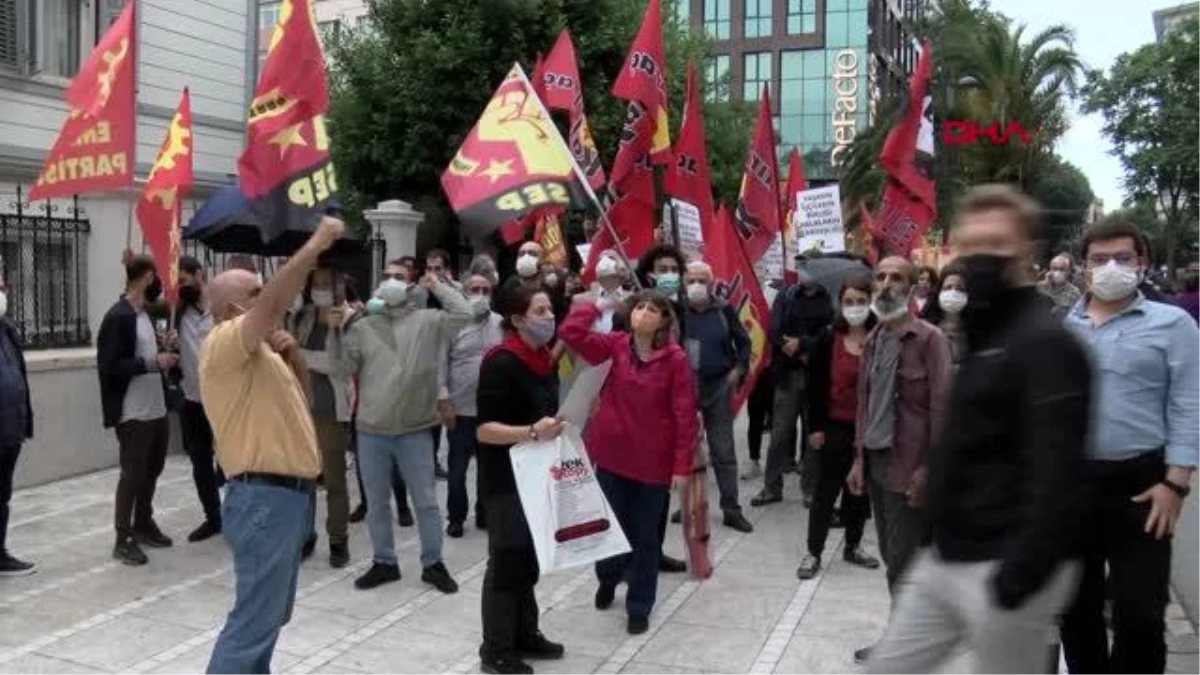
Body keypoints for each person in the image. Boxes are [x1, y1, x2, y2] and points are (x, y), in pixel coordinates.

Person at [867, 184, 1091, 675]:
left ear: (1027, 252)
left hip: (1006, 567)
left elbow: (1059, 474)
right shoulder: (978, 330)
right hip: (946, 556)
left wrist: (1018, 577)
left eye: (997, 244)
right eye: (971, 246)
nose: (981, 258)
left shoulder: (1046, 342)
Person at [202, 215, 343, 672]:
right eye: (255, 294)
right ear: (230, 311)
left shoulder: (262, 352)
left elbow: (300, 404)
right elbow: (279, 297)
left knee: (269, 618)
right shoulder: (224, 341)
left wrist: (294, 357)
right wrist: (315, 245)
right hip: (264, 498)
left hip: (288, 499)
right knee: (252, 623)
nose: (266, 301)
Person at [1060, 217, 1200, 675]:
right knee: (1076, 609)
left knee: (1140, 614)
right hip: (1074, 484)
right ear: (1084, 267)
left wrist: (1175, 485)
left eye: (1123, 258)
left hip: (1143, 487)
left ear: (1142, 263)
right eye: (1099, 260)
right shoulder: (1064, 327)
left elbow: (1188, 404)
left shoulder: (1173, 325)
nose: (1111, 267)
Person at [559, 290, 699, 635]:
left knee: (646, 538)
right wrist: (595, 306)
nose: (645, 314)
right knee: (608, 530)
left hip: (653, 464)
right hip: (612, 458)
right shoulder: (614, 345)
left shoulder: (675, 358)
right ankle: (608, 578)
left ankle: (640, 603)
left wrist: (682, 467)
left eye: (654, 309)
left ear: (665, 320)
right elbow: (571, 335)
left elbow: (685, 416)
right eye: (640, 307)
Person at [845, 255, 952, 664]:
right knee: (894, 557)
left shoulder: (929, 339)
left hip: (910, 467)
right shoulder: (873, 339)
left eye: (897, 278)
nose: (887, 283)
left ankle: (903, 649)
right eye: (881, 276)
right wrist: (857, 460)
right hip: (875, 463)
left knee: (902, 562)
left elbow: (943, 411)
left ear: (912, 288)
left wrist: (929, 469)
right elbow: (864, 406)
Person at [339, 267, 472, 593]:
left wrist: (437, 286)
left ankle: (433, 563)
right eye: (384, 276)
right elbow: (344, 367)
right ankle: (384, 562)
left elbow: (464, 311)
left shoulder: (429, 322)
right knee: (377, 502)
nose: (390, 282)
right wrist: (339, 331)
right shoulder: (364, 327)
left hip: (415, 429)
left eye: (397, 277)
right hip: (371, 429)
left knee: (425, 502)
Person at [475, 284, 566, 675]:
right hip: (506, 479)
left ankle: (525, 633)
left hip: (538, 473)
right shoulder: (501, 361)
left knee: (528, 558)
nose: (550, 317)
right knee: (507, 560)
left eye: (549, 309)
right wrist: (531, 431)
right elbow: (484, 430)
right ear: (517, 319)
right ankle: (495, 649)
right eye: (541, 311)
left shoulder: (543, 357)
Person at [796, 275, 880, 580]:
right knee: (826, 490)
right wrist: (815, 428)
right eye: (849, 301)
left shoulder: (880, 335)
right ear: (840, 304)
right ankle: (813, 551)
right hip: (834, 426)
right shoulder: (828, 337)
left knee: (859, 492)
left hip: (870, 429)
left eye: (861, 301)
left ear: (871, 303)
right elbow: (814, 386)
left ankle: (853, 546)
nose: (855, 307)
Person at [97, 255, 178, 566]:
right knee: (132, 474)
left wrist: (163, 347)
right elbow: (110, 365)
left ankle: (144, 522)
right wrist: (150, 363)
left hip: (155, 405)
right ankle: (124, 536)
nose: (158, 282)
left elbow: (150, 348)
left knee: (153, 468)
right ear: (145, 277)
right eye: (155, 276)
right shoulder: (117, 317)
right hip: (133, 410)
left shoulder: (145, 313)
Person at [628, 244, 691, 574]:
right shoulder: (633, 312)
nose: (668, 274)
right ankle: (626, 560)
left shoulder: (683, 311)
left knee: (658, 498)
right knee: (631, 499)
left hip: (669, 415)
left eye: (673, 269)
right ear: (649, 273)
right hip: (635, 419)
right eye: (661, 268)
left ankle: (652, 552)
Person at [287, 267, 354, 568]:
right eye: (317, 283)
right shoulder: (301, 316)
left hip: (332, 411)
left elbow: (341, 366)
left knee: (335, 481)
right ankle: (304, 535)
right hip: (300, 410)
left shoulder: (350, 319)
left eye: (328, 283)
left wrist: (305, 355)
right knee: (303, 480)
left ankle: (338, 539)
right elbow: (286, 356)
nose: (322, 288)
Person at [752, 271, 834, 508]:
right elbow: (773, 331)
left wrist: (803, 344)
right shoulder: (786, 295)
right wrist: (790, 346)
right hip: (787, 374)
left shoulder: (828, 299)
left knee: (814, 437)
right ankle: (771, 487)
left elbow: (829, 334)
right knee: (779, 435)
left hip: (816, 376)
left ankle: (810, 489)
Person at [682, 261, 753, 533]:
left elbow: (744, 342)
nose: (696, 286)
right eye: (691, 280)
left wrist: (739, 368)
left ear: (711, 283)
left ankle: (731, 509)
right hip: (685, 389)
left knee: (723, 450)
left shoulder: (724, 310)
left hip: (718, 388)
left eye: (701, 280)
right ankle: (687, 505)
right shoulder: (677, 312)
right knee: (687, 450)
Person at [438, 273, 504, 538]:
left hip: (492, 411)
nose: (480, 294)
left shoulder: (501, 323)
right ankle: (456, 517)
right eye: (474, 289)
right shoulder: (451, 325)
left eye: (485, 290)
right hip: (460, 410)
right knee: (457, 470)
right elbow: (439, 364)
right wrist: (443, 401)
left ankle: (485, 514)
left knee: (488, 468)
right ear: (464, 293)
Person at [175, 256, 222, 543]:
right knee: (200, 461)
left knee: (231, 459)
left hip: (224, 399)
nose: (180, 286)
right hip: (192, 399)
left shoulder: (219, 307)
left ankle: (236, 509)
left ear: (198, 275)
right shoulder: (177, 310)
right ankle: (213, 517)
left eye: (183, 280)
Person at [0, 265, 34, 575]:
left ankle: (0, 551)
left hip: (10, 429)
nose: (3, 289)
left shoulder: (7, 329)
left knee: (2, 496)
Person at [920, 264, 969, 364]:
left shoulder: (974, 330)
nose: (953, 293)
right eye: (948, 288)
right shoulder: (925, 328)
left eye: (960, 289)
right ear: (939, 292)